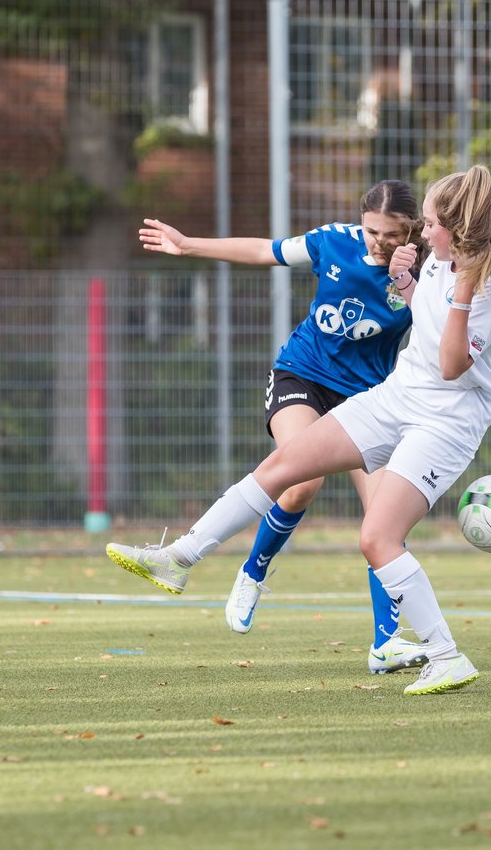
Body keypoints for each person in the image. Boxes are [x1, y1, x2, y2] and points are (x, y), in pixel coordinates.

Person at [108, 165, 491, 696]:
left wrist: (460, 289)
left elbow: (449, 364)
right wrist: (406, 284)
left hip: (445, 423)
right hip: (393, 397)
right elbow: (425, 315)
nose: (419, 231)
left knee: (377, 537)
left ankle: (444, 655)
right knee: (285, 466)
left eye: (428, 224)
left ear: (454, 230)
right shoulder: (434, 258)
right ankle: (179, 558)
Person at [124, 180, 430, 675]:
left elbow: (440, 330)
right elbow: (264, 251)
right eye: (373, 230)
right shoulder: (333, 241)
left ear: (411, 230)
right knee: (300, 481)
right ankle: (253, 571)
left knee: (384, 518)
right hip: (302, 376)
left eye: (392, 234)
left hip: (371, 399)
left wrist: (411, 286)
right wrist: (189, 244)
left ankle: (385, 645)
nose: (379, 242)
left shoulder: (423, 271)